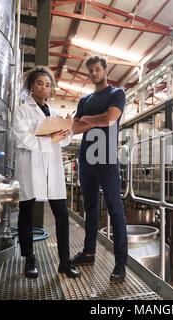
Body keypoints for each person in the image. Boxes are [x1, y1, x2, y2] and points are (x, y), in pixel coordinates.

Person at [13, 66, 81, 279]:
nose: (44, 87)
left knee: (61, 214)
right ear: (32, 86)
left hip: (52, 168)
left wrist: (68, 129)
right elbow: (21, 138)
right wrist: (48, 140)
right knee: (27, 213)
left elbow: (64, 141)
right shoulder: (22, 110)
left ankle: (64, 261)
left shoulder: (55, 113)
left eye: (48, 85)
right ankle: (29, 259)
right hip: (30, 166)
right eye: (40, 83)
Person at [71, 56, 128, 284]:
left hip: (106, 158)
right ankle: (88, 253)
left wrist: (87, 120)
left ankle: (120, 263)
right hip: (86, 159)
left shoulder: (116, 94)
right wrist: (91, 120)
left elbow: (111, 118)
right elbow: (75, 128)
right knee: (90, 207)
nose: (94, 73)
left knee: (115, 209)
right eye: (91, 70)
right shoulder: (84, 100)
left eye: (97, 69)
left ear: (105, 71)